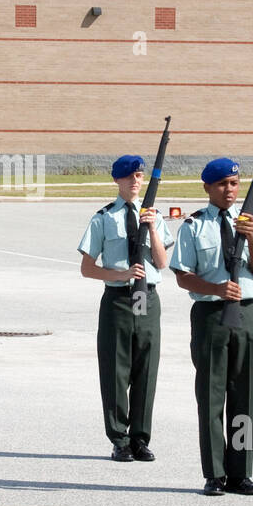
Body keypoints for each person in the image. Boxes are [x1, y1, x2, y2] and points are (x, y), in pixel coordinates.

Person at [169, 157, 253, 497]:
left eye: (233, 184)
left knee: (245, 397)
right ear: (207, 188)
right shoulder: (194, 225)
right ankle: (214, 473)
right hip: (212, 315)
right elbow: (182, 275)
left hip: (247, 314)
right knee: (213, 397)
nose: (229, 191)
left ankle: (240, 472)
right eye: (221, 185)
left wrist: (252, 239)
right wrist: (215, 288)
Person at [77, 155, 172, 462]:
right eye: (129, 177)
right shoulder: (104, 218)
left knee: (146, 368)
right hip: (118, 298)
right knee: (116, 370)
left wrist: (153, 229)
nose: (135, 182)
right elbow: (87, 268)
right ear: (117, 180)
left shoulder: (153, 216)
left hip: (148, 297)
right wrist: (120, 274)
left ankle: (141, 438)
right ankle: (119, 438)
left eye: (140, 176)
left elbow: (162, 262)